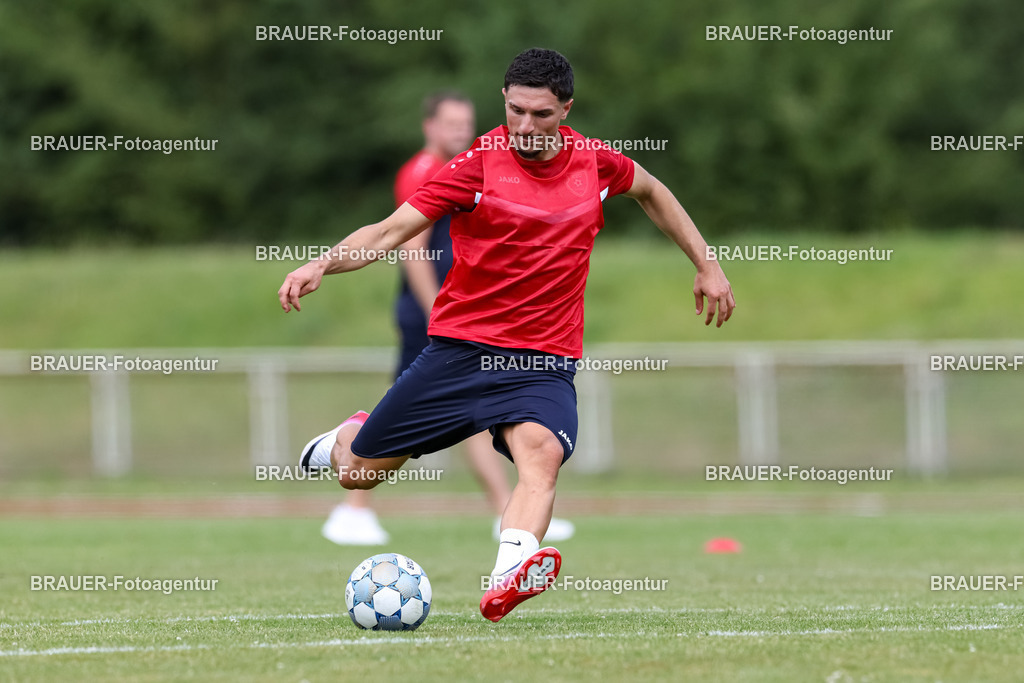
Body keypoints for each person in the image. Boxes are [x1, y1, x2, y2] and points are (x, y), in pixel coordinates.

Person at [279, 48, 736, 622]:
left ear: (566, 109)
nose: (524, 126)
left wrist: (707, 263)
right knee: (357, 471)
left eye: (541, 115)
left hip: (544, 357)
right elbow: (392, 230)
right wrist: (322, 262)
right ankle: (351, 433)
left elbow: (653, 191)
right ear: (504, 100)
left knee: (541, 456)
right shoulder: (476, 166)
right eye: (515, 110)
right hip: (461, 352)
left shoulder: (596, 164)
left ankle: (507, 575)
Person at [320, 89, 575, 546]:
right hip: (435, 314)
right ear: (429, 127)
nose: (460, 131)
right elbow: (409, 248)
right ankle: (354, 506)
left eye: (465, 123)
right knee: (418, 416)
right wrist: (438, 308)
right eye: (451, 124)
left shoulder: (478, 165)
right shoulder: (424, 170)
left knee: (474, 415)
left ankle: (508, 510)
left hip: (461, 316)